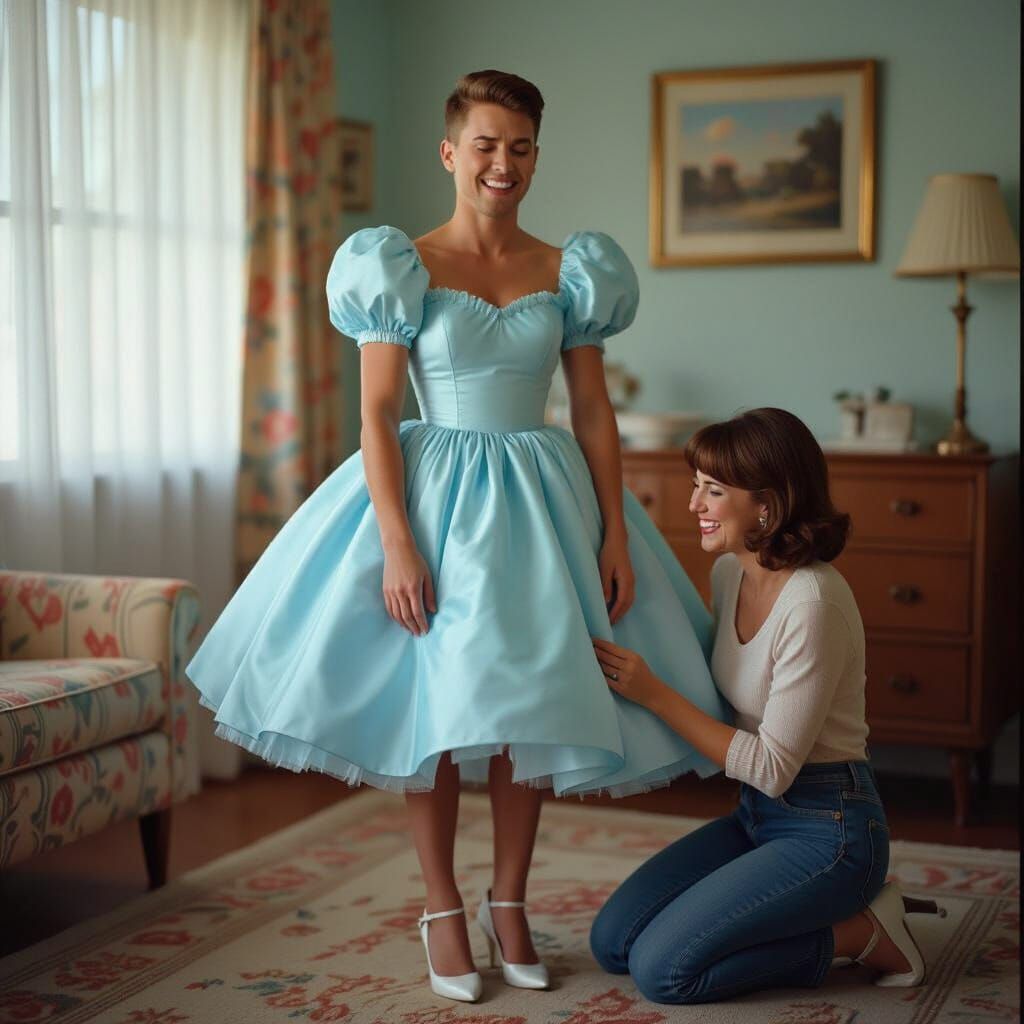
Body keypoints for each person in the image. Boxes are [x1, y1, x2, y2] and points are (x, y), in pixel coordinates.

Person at [184, 69, 730, 1004]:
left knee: (535, 709)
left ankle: (508, 902)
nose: (503, 164)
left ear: (535, 156)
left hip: (542, 502)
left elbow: (593, 412)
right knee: (435, 716)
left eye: (520, 148)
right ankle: (442, 908)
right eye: (485, 145)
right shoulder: (398, 265)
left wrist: (614, 533)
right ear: (450, 151)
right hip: (434, 501)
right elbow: (378, 414)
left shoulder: (571, 269)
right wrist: (398, 542)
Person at [588, 407, 945, 1005]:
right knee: (613, 942)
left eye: (714, 491)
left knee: (663, 972)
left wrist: (654, 695)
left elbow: (773, 767)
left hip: (830, 831)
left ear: (767, 505)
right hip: (757, 817)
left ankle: (862, 932)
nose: (695, 504)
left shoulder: (815, 602)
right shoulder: (730, 572)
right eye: (696, 485)